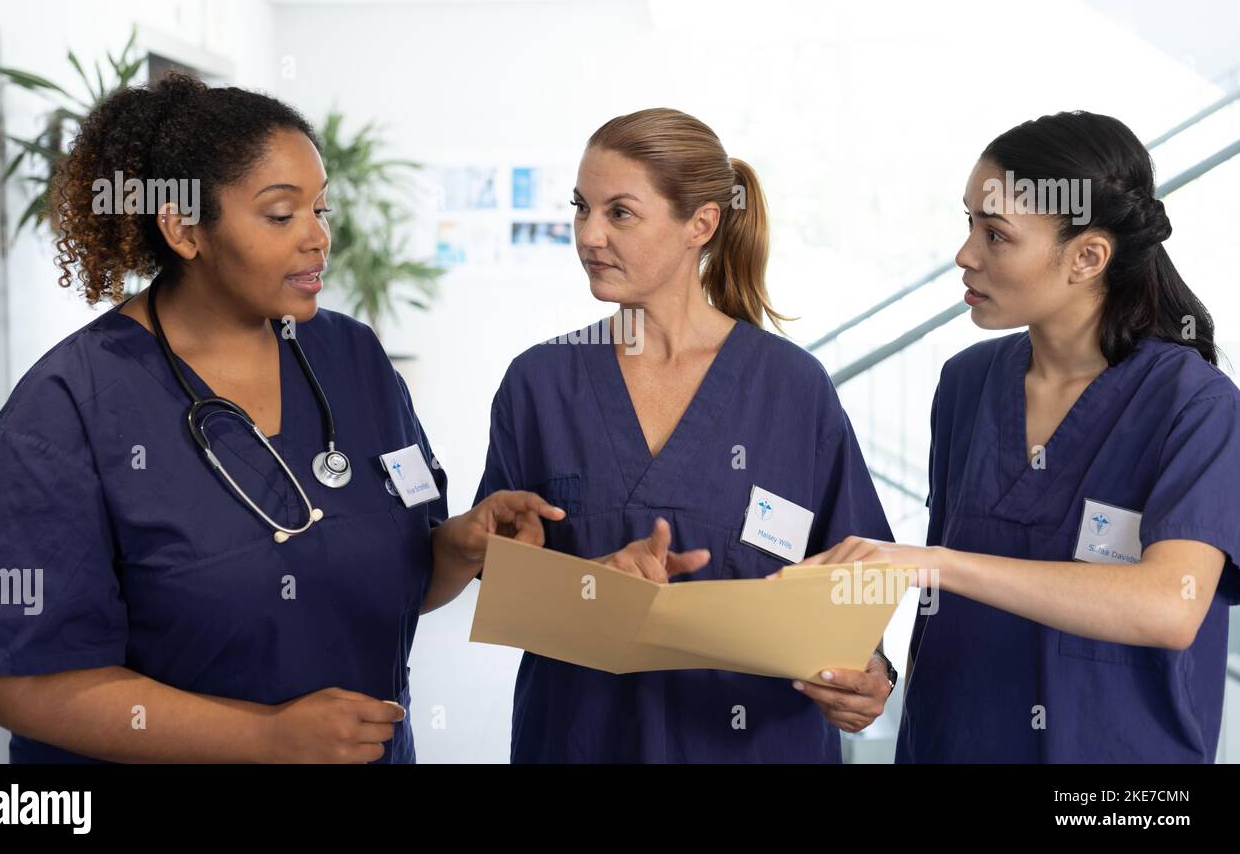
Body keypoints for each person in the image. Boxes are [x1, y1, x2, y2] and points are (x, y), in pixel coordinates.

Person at [0, 73, 561, 763]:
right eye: (280, 214)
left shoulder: (352, 357)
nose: (318, 238)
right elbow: (14, 681)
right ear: (183, 228)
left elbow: (395, 579)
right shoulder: (67, 408)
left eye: (321, 209)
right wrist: (262, 737)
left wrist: (459, 547)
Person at [794, 111, 1240, 762]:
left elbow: (1169, 606)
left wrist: (931, 563)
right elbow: (948, 612)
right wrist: (874, 676)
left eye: (996, 234)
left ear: (1087, 256)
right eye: (969, 223)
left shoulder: (1193, 405)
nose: (966, 254)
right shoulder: (966, 385)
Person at [475, 108, 897, 762]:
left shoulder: (791, 387)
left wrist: (868, 669)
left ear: (700, 223)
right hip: (585, 740)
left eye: (620, 213)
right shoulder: (540, 385)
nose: (588, 235)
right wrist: (592, 584)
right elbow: (496, 578)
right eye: (580, 208)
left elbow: (859, 576)